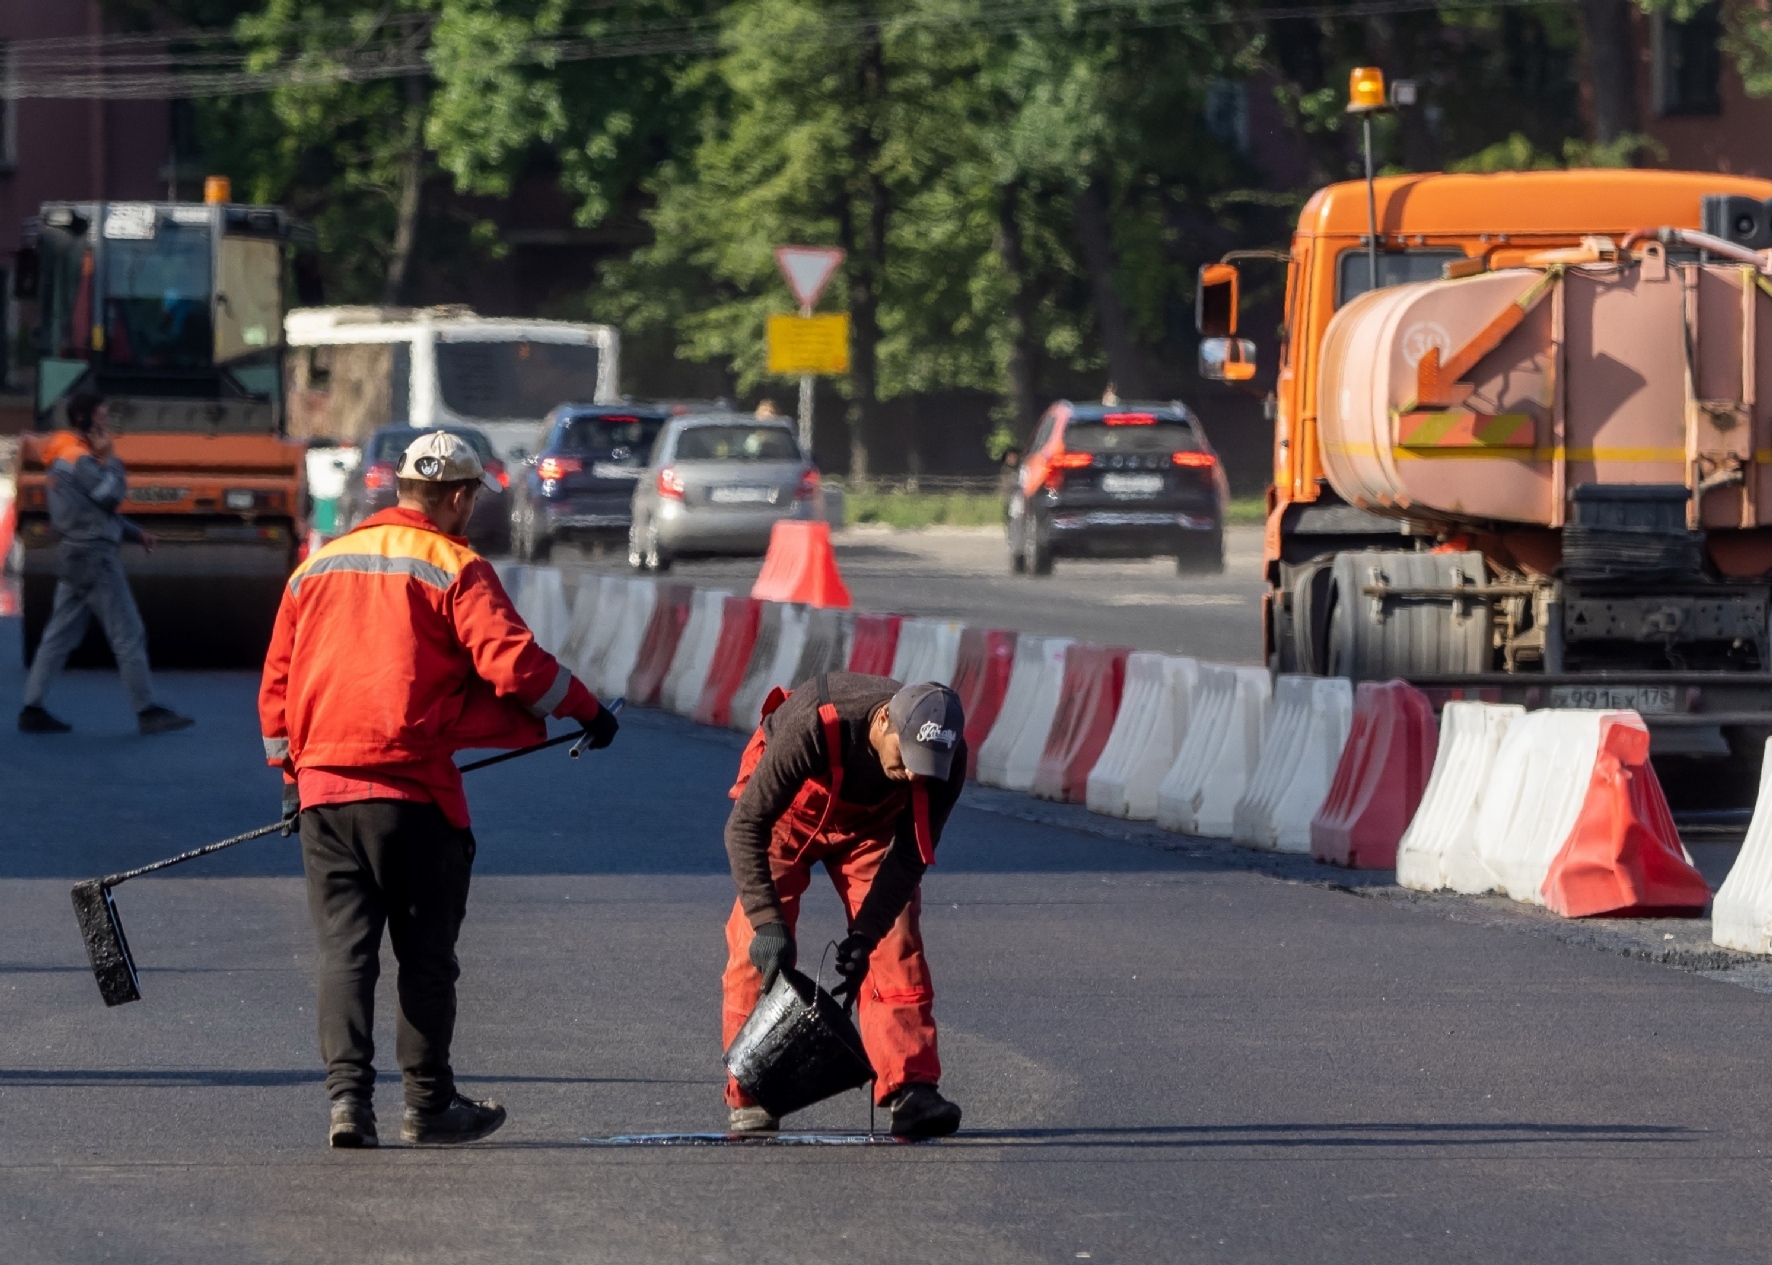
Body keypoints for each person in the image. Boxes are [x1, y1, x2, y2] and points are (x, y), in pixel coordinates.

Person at [258, 430, 619, 1150]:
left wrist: (293, 777)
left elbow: (277, 687)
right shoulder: (456, 564)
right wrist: (587, 709)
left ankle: (347, 1106)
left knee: (345, 952)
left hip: (326, 791)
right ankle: (427, 1105)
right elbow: (515, 666)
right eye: (471, 498)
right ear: (457, 496)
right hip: (412, 791)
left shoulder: (315, 566)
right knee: (425, 954)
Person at [721, 673, 967, 1138]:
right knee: (756, 946)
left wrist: (865, 934)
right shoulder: (815, 722)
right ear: (882, 722)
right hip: (789, 813)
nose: (917, 774)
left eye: (928, 766)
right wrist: (769, 922)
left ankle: (909, 1089)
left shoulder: (945, 761)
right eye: (909, 759)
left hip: (873, 827)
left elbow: (911, 856)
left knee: (896, 942)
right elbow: (745, 827)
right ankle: (752, 1091)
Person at [18, 392, 192, 736]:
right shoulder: (80, 460)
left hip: (75, 553)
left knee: (57, 636)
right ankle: (147, 711)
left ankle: (31, 708)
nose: (106, 422)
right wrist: (110, 458)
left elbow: (92, 511)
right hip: (95, 558)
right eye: (101, 416)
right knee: (128, 632)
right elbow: (110, 497)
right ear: (83, 419)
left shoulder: (62, 455)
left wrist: (134, 533)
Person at [997, 446, 1023, 523]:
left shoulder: (1020, 468)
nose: (1012, 459)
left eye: (1014, 456)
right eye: (1010, 457)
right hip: (1010, 496)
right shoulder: (1006, 470)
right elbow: (1006, 484)